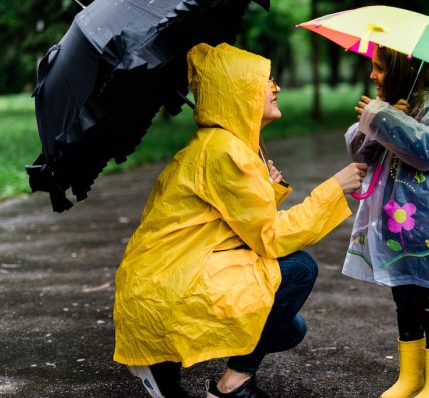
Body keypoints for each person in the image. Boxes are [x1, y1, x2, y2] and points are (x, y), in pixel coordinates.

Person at [112, 42, 368, 398]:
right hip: (171, 282)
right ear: (237, 90)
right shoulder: (227, 150)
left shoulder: (219, 144)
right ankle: (232, 385)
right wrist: (333, 188)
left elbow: (227, 218)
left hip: (162, 278)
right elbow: (271, 237)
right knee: (298, 270)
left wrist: (267, 186)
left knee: (290, 328)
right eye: (266, 80)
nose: (275, 87)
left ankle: (161, 363)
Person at [342, 45, 429, 398]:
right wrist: (380, 122)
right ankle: (409, 376)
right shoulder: (397, 104)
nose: (372, 76)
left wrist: (387, 117)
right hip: (392, 222)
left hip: (424, 224)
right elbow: (359, 153)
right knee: (403, 296)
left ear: (402, 69)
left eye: (379, 68)